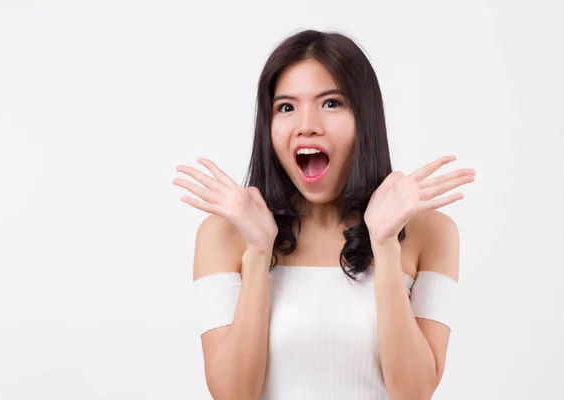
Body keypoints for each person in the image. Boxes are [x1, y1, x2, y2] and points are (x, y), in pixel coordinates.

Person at [173, 29, 475, 400]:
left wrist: (384, 245)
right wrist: (257, 252)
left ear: (364, 117)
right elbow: (233, 396)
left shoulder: (431, 231)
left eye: (331, 103)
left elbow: (413, 394)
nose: (307, 125)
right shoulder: (223, 233)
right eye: (286, 107)